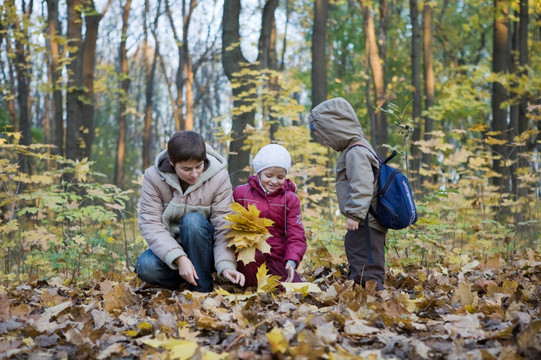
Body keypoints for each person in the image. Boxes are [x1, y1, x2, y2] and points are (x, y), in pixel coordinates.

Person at [135, 131, 245, 292]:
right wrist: (179, 259)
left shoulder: (219, 177)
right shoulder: (153, 177)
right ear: (172, 162)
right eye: (187, 169)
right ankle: (185, 279)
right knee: (145, 267)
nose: (194, 174)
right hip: (171, 250)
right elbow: (151, 224)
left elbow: (224, 225)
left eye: (199, 166)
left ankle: (202, 289)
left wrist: (226, 264)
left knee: (193, 221)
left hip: (205, 251)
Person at [308, 97, 387, 291]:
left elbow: (363, 185)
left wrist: (355, 214)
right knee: (358, 253)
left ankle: (372, 295)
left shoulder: (356, 152)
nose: (325, 142)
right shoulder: (356, 149)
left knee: (366, 258)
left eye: (326, 136)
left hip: (366, 220)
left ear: (337, 130)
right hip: (366, 219)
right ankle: (360, 290)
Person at [233, 144, 307, 287]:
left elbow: (296, 234)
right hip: (249, 252)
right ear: (259, 172)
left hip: (276, 255)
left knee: (295, 289)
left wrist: (292, 260)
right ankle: (249, 286)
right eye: (269, 175)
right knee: (252, 273)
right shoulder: (242, 193)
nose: (274, 181)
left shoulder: (290, 199)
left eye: (280, 177)